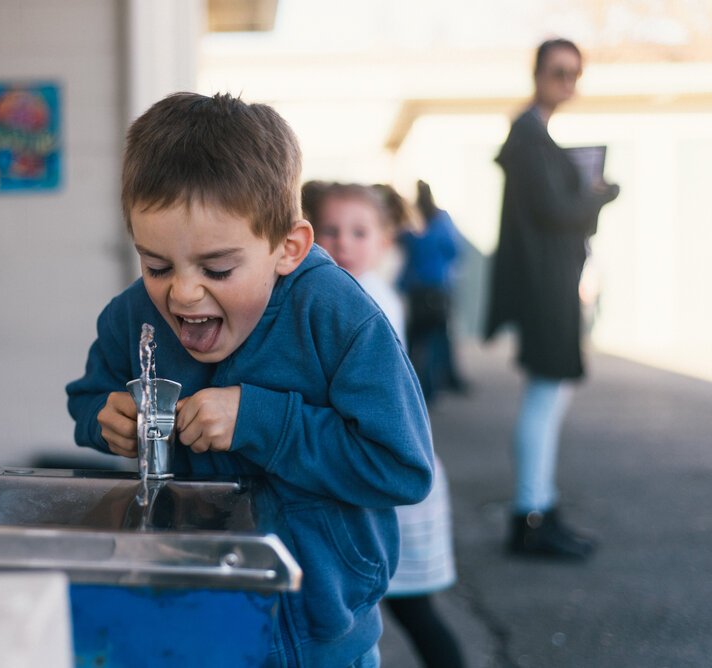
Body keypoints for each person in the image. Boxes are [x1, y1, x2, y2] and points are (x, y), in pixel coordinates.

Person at [66, 92, 434, 668]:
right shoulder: (132, 316)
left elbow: (402, 468)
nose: (182, 293)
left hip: (322, 633)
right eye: (156, 265)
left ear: (288, 248)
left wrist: (263, 421)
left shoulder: (337, 316)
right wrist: (104, 420)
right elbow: (88, 398)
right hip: (190, 619)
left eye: (217, 269)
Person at [309, 181, 464, 668]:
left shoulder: (365, 300)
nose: (343, 243)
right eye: (330, 231)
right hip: (374, 481)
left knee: (409, 610)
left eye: (359, 232)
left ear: (385, 241)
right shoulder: (349, 292)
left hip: (392, 488)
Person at [484, 39, 620, 560]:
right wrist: (601, 194)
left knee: (550, 397)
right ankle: (530, 516)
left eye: (574, 74)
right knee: (545, 397)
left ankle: (539, 506)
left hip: (551, 283)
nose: (567, 83)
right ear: (538, 73)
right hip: (545, 287)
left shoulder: (532, 135)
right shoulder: (527, 137)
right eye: (559, 72)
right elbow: (556, 211)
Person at [398, 180, 469, 402]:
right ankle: (430, 389)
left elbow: (403, 244)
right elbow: (454, 249)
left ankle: (416, 387)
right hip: (438, 287)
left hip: (415, 287)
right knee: (436, 338)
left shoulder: (413, 221)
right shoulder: (442, 219)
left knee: (415, 339)